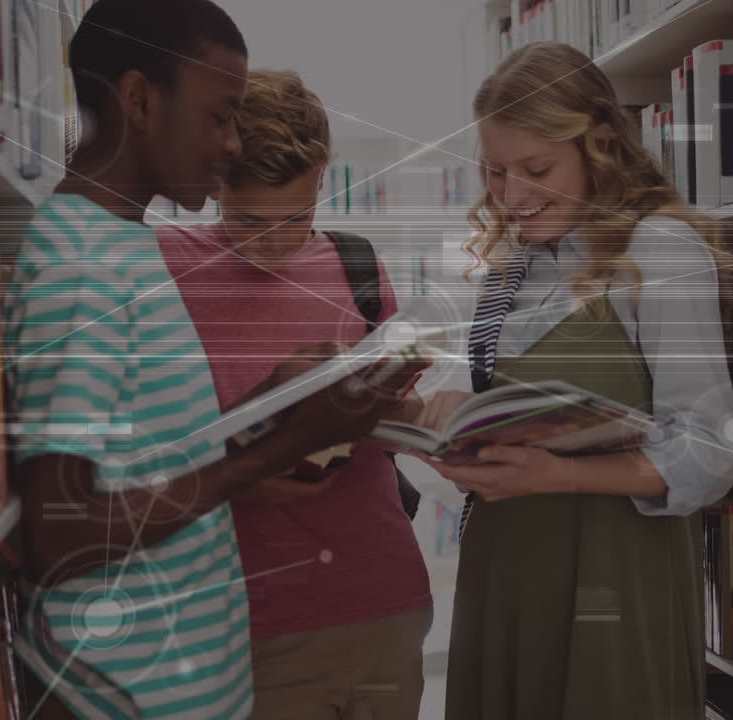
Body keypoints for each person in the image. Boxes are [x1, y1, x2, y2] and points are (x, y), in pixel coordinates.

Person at [2, 3, 423, 719]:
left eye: (295, 217)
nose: (230, 144)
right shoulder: (114, 265)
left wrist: (325, 405)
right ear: (140, 101)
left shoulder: (348, 264)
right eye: (219, 118)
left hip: (342, 608)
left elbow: (153, 447)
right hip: (198, 651)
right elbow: (63, 522)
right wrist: (271, 446)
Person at [415, 42, 733, 720]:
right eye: (497, 172)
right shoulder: (510, 268)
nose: (512, 196)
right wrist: (455, 419)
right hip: (503, 570)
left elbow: (710, 454)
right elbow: (511, 399)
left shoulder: (660, 251)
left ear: (599, 145)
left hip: (613, 578)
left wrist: (554, 475)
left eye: (537, 169)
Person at [155, 70, 433, 720]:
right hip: (244, 625)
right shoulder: (159, 272)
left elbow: (390, 416)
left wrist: (431, 420)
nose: (277, 241)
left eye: (299, 216)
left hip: (385, 607)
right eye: (251, 218)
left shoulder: (359, 268)